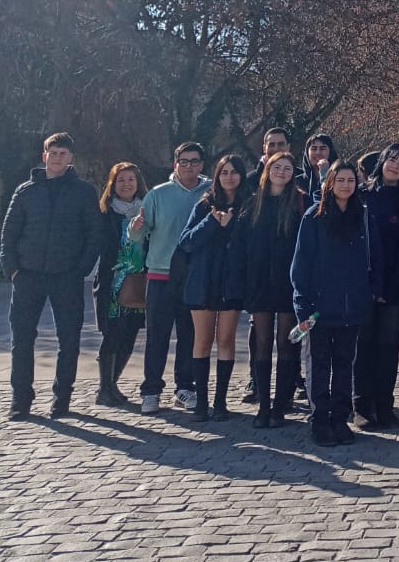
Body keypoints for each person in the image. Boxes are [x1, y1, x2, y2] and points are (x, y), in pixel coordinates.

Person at [1, 132, 101, 421]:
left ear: (71, 158)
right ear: (44, 156)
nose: (57, 158)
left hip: (66, 277)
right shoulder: (25, 191)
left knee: (68, 341)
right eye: (53, 152)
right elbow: (8, 234)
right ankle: (20, 400)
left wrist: (79, 269)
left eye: (63, 153)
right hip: (28, 276)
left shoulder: (83, 192)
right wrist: (13, 270)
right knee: (21, 340)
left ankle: (62, 400)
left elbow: (94, 234)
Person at [290, 158, 384, 447]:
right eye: (340, 180)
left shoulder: (363, 216)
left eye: (351, 180)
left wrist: (370, 293)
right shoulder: (313, 217)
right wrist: (303, 306)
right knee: (319, 365)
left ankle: (340, 418)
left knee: (345, 364)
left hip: (352, 306)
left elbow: (375, 258)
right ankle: (320, 419)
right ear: (330, 183)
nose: (346, 185)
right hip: (320, 307)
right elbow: (300, 265)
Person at [130, 141, 210, 414]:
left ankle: (185, 388)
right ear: (175, 164)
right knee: (157, 336)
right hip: (160, 274)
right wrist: (136, 228)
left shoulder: (211, 191)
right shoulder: (157, 194)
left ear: (202, 164)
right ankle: (151, 390)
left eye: (195, 161)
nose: (189, 166)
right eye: (184, 161)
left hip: (194, 276)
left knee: (189, 336)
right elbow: (139, 235)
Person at [229, 151, 306, 428]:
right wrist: (240, 283)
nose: (282, 172)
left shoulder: (300, 203)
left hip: (289, 284)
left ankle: (280, 405)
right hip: (259, 283)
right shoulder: (252, 204)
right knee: (262, 343)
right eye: (277, 167)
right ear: (267, 170)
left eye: (288, 168)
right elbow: (239, 248)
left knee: (287, 343)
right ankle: (263, 404)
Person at [355, 143, 399, 430]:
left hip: (396, 285)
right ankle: (361, 404)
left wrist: (397, 284)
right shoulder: (363, 196)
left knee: (389, 345)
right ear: (381, 162)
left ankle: (384, 403)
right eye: (391, 160)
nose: (395, 166)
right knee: (364, 344)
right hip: (364, 283)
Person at [179, 154, 249, 423]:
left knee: (226, 340)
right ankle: (202, 403)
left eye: (234, 172)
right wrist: (212, 222)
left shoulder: (248, 205)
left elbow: (248, 245)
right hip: (203, 281)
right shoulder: (204, 204)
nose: (229, 177)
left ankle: (220, 402)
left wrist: (231, 227)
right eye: (224, 172)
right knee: (203, 341)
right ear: (217, 176)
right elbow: (186, 242)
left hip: (231, 282)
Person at [93, 162, 149, 408]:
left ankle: (112, 385)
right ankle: (104, 388)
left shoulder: (148, 210)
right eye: (121, 180)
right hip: (112, 282)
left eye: (131, 180)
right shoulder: (105, 213)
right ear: (112, 184)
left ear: (138, 184)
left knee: (130, 334)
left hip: (139, 280)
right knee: (112, 333)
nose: (126, 184)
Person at [299, 132, 337, 204]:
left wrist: (324, 172)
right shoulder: (297, 182)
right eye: (314, 149)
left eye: (322, 148)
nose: (318, 152)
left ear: (330, 152)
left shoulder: (341, 179)